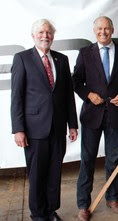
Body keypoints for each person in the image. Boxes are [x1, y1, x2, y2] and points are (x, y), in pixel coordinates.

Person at [72, 16, 118, 221]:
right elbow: (76, 81)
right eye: (100, 28)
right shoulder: (85, 53)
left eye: (107, 28)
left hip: (116, 115)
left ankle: (112, 197)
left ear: (112, 29)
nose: (103, 32)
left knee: (113, 159)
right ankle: (83, 204)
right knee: (87, 160)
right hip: (92, 115)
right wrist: (88, 95)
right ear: (94, 31)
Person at [11, 19, 78, 221]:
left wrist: (72, 124)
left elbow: (67, 95)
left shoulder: (61, 59)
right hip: (34, 130)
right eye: (41, 32)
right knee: (38, 174)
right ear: (33, 36)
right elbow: (17, 97)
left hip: (57, 129)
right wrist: (18, 129)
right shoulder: (22, 58)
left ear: (53, 36)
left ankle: (51, 211)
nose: (45, 36)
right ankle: (38, 215)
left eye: (48, 32)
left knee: (54, 173)